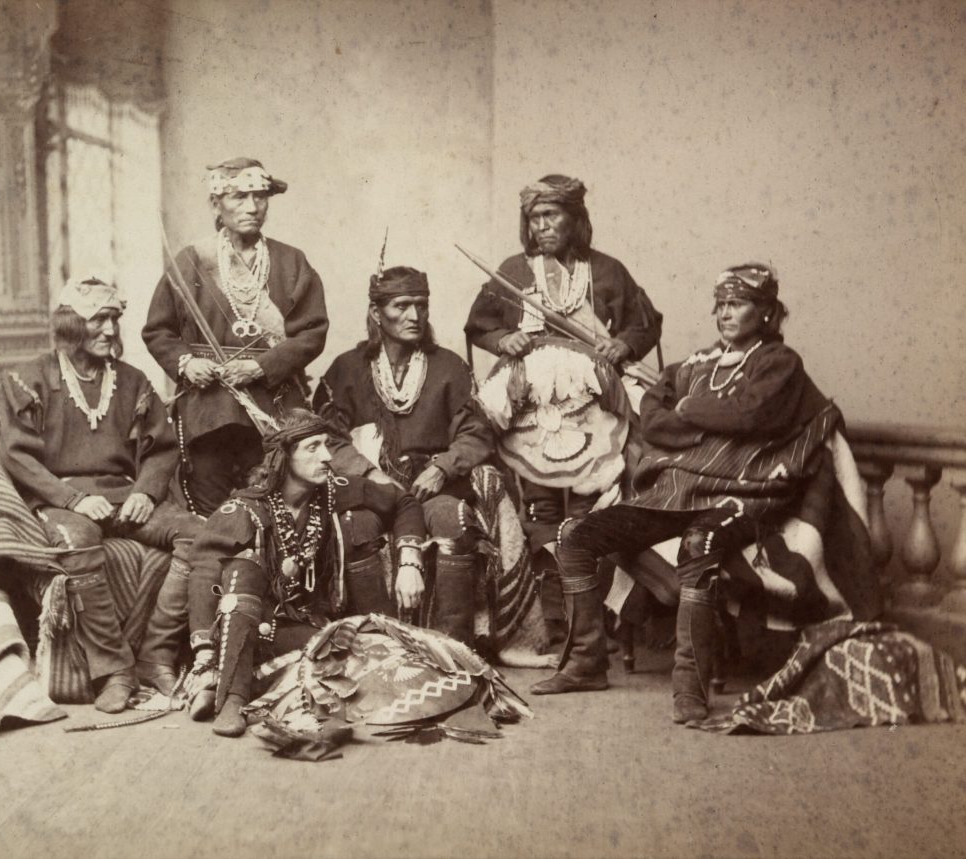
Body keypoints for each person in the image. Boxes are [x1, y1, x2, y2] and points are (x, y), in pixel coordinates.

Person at [532, 263, 844, 724]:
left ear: (765, 313)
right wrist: (703, 418)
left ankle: (690, 689)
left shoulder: (779, 364)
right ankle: (585, 663)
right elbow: (653, 419)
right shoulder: (696, 364)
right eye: (719, 305)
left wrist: (688, 412)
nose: (723, 314)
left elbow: (750, 416)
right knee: (577, 534)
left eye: (735, 305)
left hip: (741, 496)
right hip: (677, 490)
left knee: (701, 544)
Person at [464, 173, 662, 646]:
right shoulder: (514, 269)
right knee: (541, 507)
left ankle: (600, 620)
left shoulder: (608, 270)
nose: (542, 227)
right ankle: (554, 621)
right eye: (535, 218)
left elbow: (644, 324)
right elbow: (479, 326)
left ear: (575, 219)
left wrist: (622, 343)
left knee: (595, 504)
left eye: (551, 216)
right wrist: (502, 338)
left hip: (594, 402)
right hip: (532, 406)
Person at [0, 277, 203, 713]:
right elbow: (17, 457)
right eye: (98, 320)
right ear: (72, 324)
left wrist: (147, 492)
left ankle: (156, 656)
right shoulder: (29, 378)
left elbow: (162, 450)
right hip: (61, 500)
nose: (110, 330)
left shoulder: (133, 381)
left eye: (114, 320)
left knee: (201, 536)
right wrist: (70, 500)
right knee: (78, 540)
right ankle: (114, 669)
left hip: (123, 495)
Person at [184, 409, 427, 738]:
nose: (327, 457)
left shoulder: (335, 491)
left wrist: (410, 559)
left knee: (362, 660)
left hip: (309, 628)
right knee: (243, 568)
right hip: (250, 628)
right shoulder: (245, 508)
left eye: (327, 445)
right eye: (313, 448)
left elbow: (405, 502)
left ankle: (228, 684)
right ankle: (231, 699)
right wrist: (203, 650)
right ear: (283, 457)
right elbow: (203, 570)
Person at [314, 264, 493, 645]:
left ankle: (454, 648)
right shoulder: (346, 369)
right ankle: (382, 646)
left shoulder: (449, 367)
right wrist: (369, 474)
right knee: (356, 528)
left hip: (433, 486)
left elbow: (475, 432)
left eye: (421, 305)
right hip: (370, 487)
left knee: (453, 520)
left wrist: (443, 468)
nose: (415, 315)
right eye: (402, 305)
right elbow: (327, 436)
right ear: (377, 313)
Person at [142, 157, 328, 516]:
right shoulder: (191, 261)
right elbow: (158, 329)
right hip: (207, 410)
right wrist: (186, 362)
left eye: (260, 197)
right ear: (216, 203)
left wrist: (259, 367)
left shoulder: (291, 262)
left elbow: (312, 331)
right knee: (211, 512)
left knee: (277, 505)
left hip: (272, 405)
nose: (252, 207)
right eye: (239, 197)